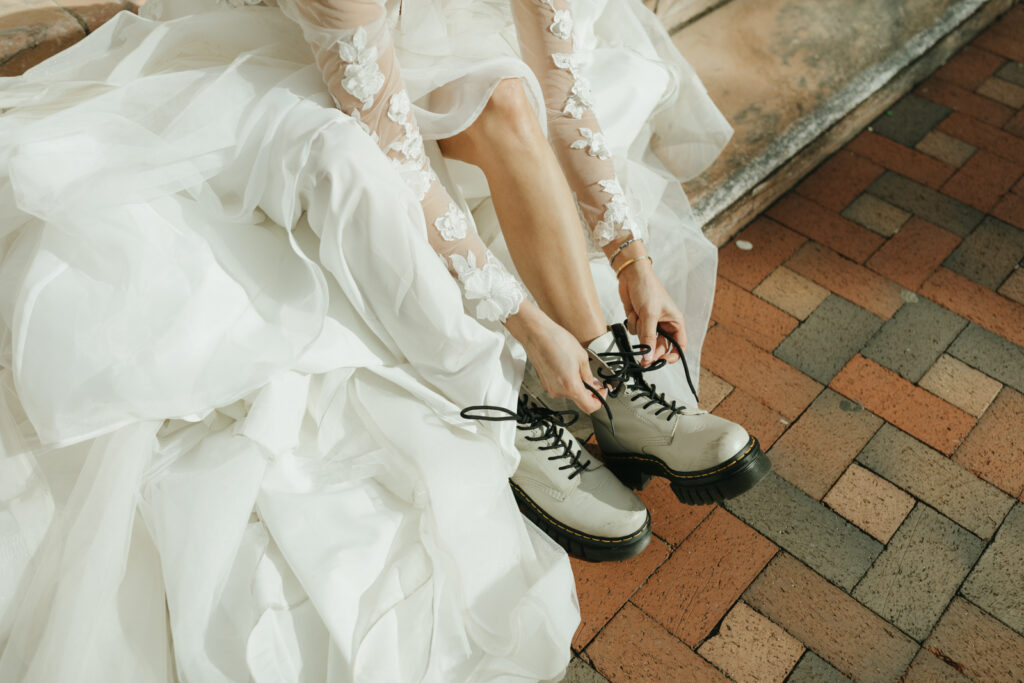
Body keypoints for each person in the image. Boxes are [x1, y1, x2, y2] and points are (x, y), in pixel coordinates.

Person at [0, 0, 765, 680]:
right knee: (343, 170)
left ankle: (608, 374)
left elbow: (563, 92)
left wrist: (633, 261)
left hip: (418, 42)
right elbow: (398, 163)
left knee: (505, 95)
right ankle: (500, 401)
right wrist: (525, 325)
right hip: (301, 62)